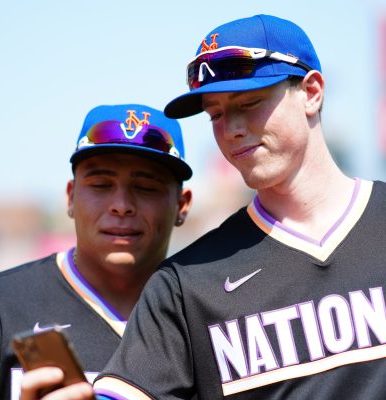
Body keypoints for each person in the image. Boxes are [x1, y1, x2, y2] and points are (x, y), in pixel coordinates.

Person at [85, 14, 386, 400]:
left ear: (311, 92)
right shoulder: (186, 282)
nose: (232, 129)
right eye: (216, 114)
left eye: (250, 102)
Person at [0, 103, 192, 400]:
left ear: (182, 205)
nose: (121, 204)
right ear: (70, 197)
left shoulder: (211, 312)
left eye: (146, 186)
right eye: (100, 184)